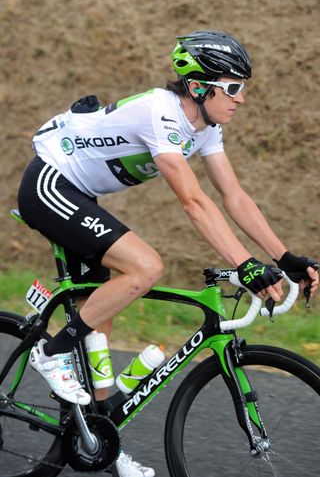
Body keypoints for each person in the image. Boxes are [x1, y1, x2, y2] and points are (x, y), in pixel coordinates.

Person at [18, 30, 319, 477]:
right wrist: (245, 264)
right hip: (50, 182)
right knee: (145, 267)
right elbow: (194, 202)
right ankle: (54, 351)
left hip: (81, 194)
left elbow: (233, 196)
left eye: (243, 88)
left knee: (102, 311)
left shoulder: (205, 128)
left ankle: (101, 440)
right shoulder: (161, 113)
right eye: (233, 87)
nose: (241, 99)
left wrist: (286, 256)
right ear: (199, 86)